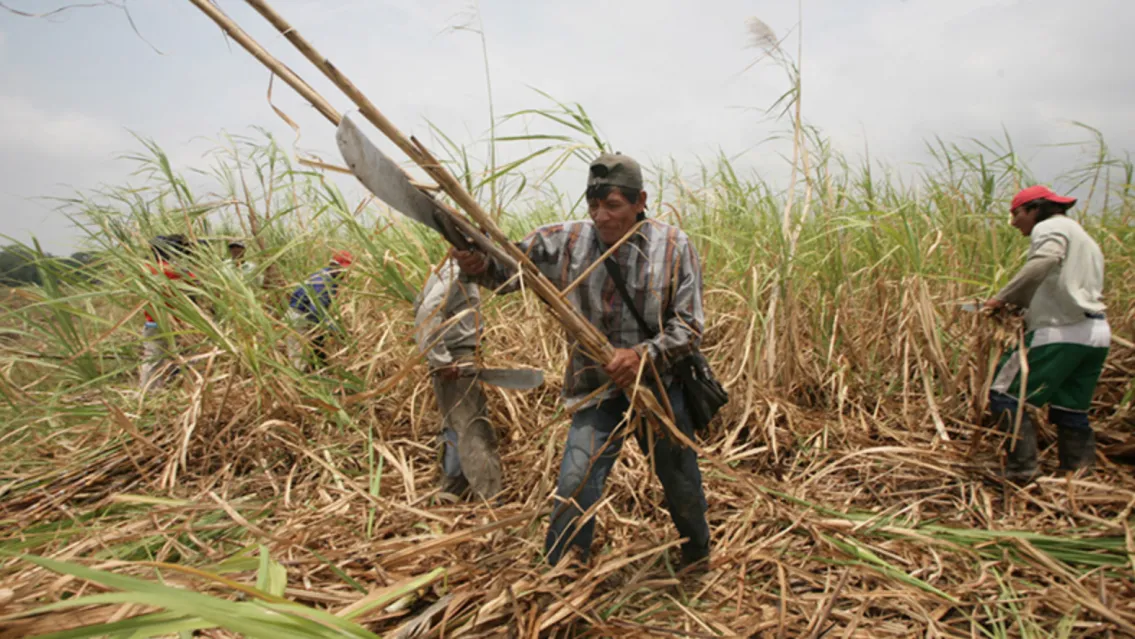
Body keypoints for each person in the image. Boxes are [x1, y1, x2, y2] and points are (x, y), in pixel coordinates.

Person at [454, 152, 711, 571]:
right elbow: (505, 274)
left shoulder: (674, 246)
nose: (601, 216)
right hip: (597, 387)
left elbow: (690, 326)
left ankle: (697, 557)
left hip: (661, 389)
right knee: (576, 480)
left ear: (640, 201)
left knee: (681, 481)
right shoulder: (564, 242)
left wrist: (642, 355)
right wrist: (477, 262)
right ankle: (563, 572)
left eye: (613, 205)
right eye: (594, 205)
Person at [983, 185, 1110, 482]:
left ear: (1035, 209)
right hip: (1095, 333)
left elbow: (1045, 260)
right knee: (1071, 407)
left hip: (1060, 332)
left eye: (1016, 213)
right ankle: (1078, 473)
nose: (1013, 222)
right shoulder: (1083, 238)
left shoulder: (1050, 227)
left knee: (1004, 394)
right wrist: (1023, 309)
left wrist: (1002, 298)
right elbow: (1065, 285)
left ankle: (1022, 470)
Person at [413, 257, 501, 500]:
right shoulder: (456, 271)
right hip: (456, 358)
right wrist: (441, 359)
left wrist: (438, 357)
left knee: (455, 424)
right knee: (474, 428)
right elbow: (426, 312)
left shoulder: (445, 269)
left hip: (452, 358)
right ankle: (490, 498)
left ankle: (454, 487)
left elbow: (419, 305)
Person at [140, 234, 196, 389]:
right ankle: (181, 386)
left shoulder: (145, 268)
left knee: (152, 359)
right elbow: (196, 281)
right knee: (186, 355)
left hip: (152, 322)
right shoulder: (173, 269)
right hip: (175, 324)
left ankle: (148, 392)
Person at [286, 250, 354, 371]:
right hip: (299, 315)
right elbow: (316, 310)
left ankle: (318, 371)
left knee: (317, 345)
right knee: (298, 354)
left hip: (309, 316)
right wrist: (335, 329)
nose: (344, 273)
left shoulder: (331, 277)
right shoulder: (322, 281)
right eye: (342, 269)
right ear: (333, 265)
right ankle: (298, 378)